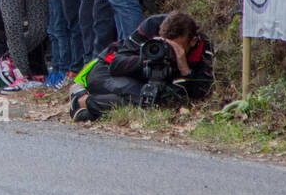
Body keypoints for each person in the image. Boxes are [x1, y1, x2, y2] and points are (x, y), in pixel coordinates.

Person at [70, 11, 214, 121]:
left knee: (154, 101)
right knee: (144, 100)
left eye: (175, 46)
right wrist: (149, 57)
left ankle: (87, 104)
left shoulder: (203, 47)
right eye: (165, 44)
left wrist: (183, 66)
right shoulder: (152, 25)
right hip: (105, 70)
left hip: (142, 84)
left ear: (193, 41)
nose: (169, 51)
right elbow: (116, 64)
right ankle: (82, 99)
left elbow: (199, 93)